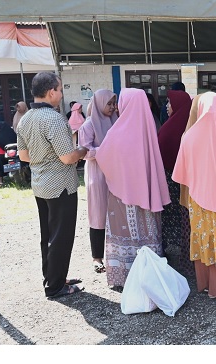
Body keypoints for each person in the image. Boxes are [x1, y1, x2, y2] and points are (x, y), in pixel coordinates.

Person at [15, 71, 88, 300]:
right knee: (61, 236)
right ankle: (56, 286)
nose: (61, 93)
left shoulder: (25, 118)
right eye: (60, 88)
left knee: (47, 234)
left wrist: (44, 157)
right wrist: (83, 150)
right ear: (51, 92)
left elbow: (24, 156)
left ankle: (52, 277)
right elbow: (67, 157)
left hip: (40, 184)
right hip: (61, 185)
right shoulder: (54, 119)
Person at [172, 92, 216, 300]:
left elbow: (181, 172)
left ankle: (208, 284)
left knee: (206, 237)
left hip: (198, 198)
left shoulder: (189, 136)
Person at [94, 88, 169, 289]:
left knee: (125, 232)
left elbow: (103, 157)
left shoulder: (117, 132)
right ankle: (150, 271)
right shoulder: (149, 128)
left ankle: (125, 274)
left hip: (121, 196)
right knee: (147, 230)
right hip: (147, 195)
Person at [77, 89, 117, 274]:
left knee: (116, 214)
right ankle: (97, 257)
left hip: (115, 174)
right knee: (98, 214)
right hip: (97, 175)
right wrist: (104, 150)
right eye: (108, 103)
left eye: (113, 103)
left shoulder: (116, 122)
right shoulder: (88, 125)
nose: (112, 107)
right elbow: (84, 151)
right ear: (99, 103)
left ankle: (116, 254)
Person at [156, 89, 194, 279]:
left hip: (175, 179)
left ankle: (178, 250)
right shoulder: (181, 123)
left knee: (177, 213)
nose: (167, 106)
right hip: (178, 178)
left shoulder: (178, 127)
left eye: (170, 103)